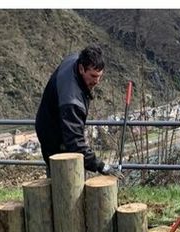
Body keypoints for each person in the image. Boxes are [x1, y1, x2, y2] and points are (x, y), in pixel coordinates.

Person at [35, 45, 122, 178]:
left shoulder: (76, 59)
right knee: (64, 177)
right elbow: (75, 143)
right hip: (53, 135)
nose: (97, 81)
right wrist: (100, 166)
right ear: (81, 69)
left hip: (52, 121)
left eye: (99, 76)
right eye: (93, 76)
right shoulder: (71, 100)